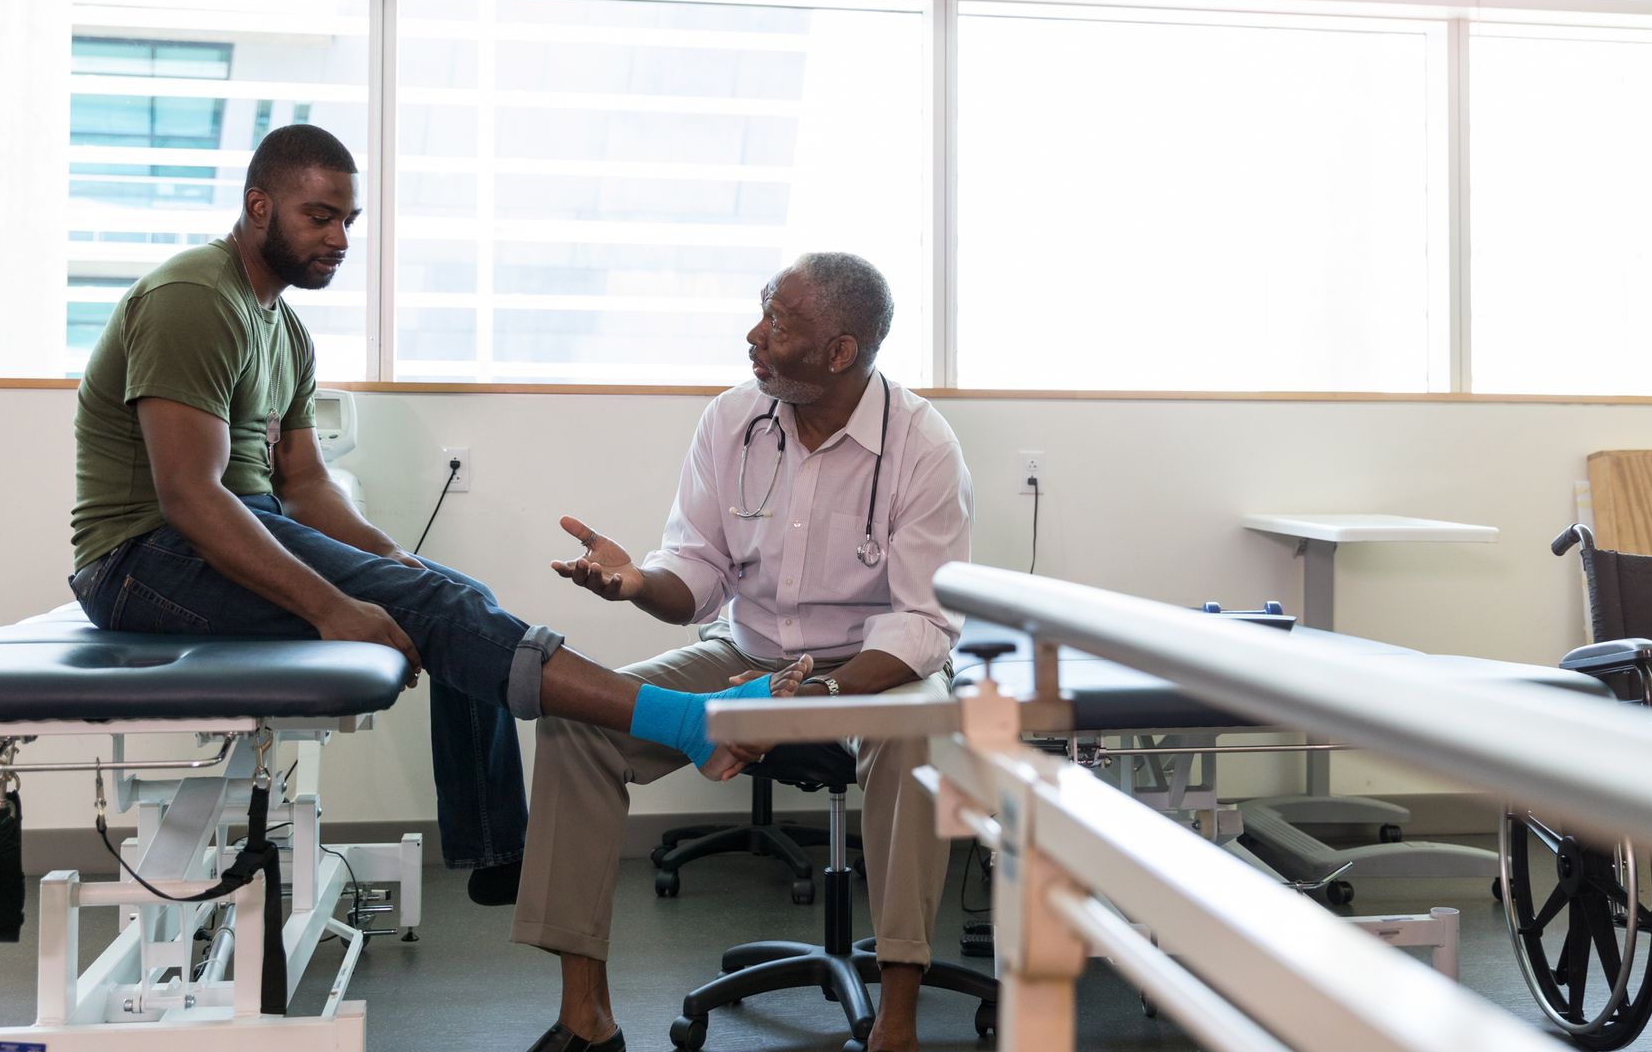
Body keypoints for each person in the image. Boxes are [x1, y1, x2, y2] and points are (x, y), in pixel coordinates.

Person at [68, 123, 808, 909]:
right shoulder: (194, 298)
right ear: (259, 206)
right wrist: (333, 606)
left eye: (349, 220)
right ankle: (690, 723)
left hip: (223, 529)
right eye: (319, 216)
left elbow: (305, 484)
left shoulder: (282, 329)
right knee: (444, 610)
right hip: (141, 559)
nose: (339, 237)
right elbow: (188, 496)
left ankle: (497, 849)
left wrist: (391, 562)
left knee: (449, 590)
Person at [515, 253, 973, 1052]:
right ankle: (584, 1016)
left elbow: (924, 624)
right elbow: (695, 576)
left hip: (873, 670)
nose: (754, 336)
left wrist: (817, 702)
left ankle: (896, 1022)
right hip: (748, 652)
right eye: (761, 312)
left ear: (839, 352)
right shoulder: (735, 419)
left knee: (917, 736)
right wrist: (634, 583)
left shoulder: (923, 447)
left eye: (779, 324)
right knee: (580, 720)